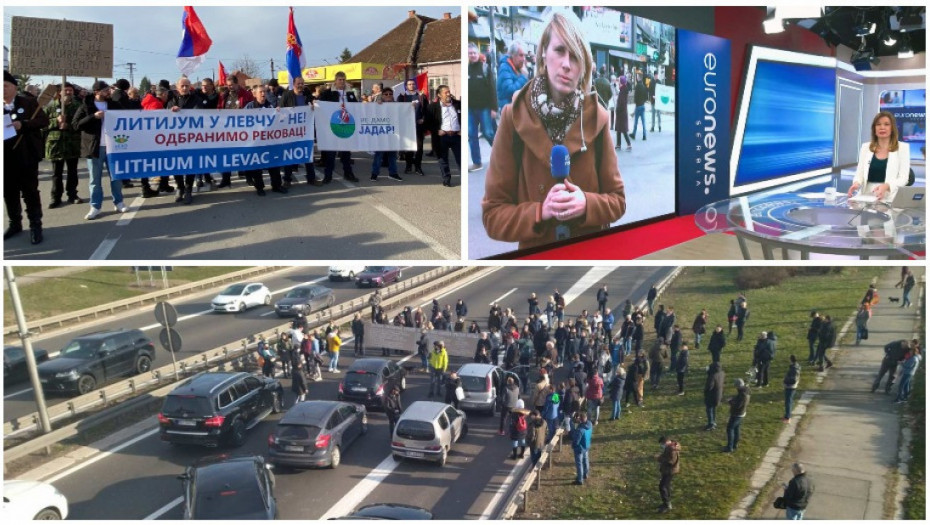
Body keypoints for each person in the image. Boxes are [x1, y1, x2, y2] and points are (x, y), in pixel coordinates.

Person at [481, 12, 626, 250]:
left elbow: (618, 201)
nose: (567, 64)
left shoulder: (597, 119)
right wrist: (540, 212)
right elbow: (493, 215)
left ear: (584, 67)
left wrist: (587, 203)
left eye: (576, 57)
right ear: (544, 54)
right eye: (559, 50)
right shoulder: (513, 117)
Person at [73, 80, 129, 221]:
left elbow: (127, 117)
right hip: (94, 147)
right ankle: (95, 206)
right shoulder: (86, 106)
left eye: (108, 90)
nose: (108, 92)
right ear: (97, 92)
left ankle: (119, 202)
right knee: (95, 179)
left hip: (113, 146)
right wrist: (93, 117)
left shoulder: (114, 105)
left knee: (116, 177)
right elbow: (76, 125)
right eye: (105, 90)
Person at [4, 71, 49, 244]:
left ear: (15, 87)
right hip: (6, 158)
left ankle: (35, 226)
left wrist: (23, 124)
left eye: (6, 86)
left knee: (30, 192)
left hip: (27, 156)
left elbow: (43, 121)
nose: (3, 90)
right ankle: (15, 223)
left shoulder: (28, 102)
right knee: (9, 192)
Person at [847, 111, 911, 203]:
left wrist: (886, 186)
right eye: (878, 124)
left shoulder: (903, 148)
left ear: (892, 128)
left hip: (889, 196)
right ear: (874, 129)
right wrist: (856, 183)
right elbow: (859, 173)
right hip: (866, 196)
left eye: (886, 124)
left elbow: (903, 178)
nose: (882, 127)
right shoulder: (866, 147)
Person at [44, 82, 84, 209]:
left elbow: (81, 124)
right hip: (56, 145)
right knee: (57, 173)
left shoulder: (78, 106)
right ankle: (55, 197)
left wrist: (69, 125)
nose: (68, 92)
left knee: (72, 171)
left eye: (70, 90)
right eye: (65, 90)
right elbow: (42, 124)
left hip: (72, 143)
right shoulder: (50, 106)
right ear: (59, 92)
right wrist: (56, 121)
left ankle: (72, 195)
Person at [317, 71, 359, 184]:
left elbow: (356, 107)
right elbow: (320, 105)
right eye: (340, 79)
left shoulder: (350, 93)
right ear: (335, 81)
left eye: (343, 79)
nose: (342, 82)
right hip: (333, 125)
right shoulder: (328, 93)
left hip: (346, 125)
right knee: (331, 153)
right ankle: (328, 175)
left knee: (346, 153)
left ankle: (348, 173)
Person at [467, 43, 498, 171]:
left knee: (489, 133)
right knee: (471, 135)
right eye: (470, 53)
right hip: (470, 109)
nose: (472, 55)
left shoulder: (485, 68)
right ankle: (477, 162)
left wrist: (494, 108)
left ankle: (502, 156)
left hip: (485, 107)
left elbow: (492, 89)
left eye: (474, 53)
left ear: (478, 54)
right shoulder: (465, 69)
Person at [425, 85, 461, 187]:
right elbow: (428, 122)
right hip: (442, 137)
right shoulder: (432, 107)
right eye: (446, 92)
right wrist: (437, 130)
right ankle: (446, 179)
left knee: (460, 159)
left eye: (449, 92)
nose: (449, 94)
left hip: (456, 136)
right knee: (443, 159)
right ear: (439, 95)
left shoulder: (458, 104)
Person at [497, 40, 529, 112]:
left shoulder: (517, 67)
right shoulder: (505, 67)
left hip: (516, 108)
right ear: (513, 55)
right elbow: (509, 90)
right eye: (521, 55)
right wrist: (523, 77)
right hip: (509, 110)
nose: (523, 59)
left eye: (524, 55)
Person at [724, 378, 750, 453]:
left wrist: (730, 401)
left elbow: (737, 405)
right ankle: (735, 445)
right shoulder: (745, 390)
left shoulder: (743, 394)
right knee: (736, 428)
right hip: (742, 413)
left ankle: (730, 447)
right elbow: (739, 400)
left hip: (737, 414)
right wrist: (733, 398)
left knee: (730, 429)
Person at [656, 435, 681, 513]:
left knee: (662, 487)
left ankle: (667, 504)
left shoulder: (672, 449)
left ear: (666, 442)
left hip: (669, 471)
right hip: (668, 470)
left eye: (662, 444)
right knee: (666, 486)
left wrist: (659, 458)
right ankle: (666, 502)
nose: (662, 446)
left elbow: (670, 462)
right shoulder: (670, 447)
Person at [570, 411, 593, 485]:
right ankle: (585, 474)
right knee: (586, 460)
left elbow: (576, 440)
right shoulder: (589, 424)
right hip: (586, 446)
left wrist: (573, 445)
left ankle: (580, 479)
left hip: (579, 448)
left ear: (580, 420)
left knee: (579, 464)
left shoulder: (580, 430)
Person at [704, 361, 725, 430]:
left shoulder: (712, 376)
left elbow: (709, 387)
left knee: (709, 409)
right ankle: (713, 421)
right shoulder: (722, 373)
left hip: (711, 395)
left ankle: (711, 424)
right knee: (713, 409)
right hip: (718, 394)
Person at [614, 75, 632, 151]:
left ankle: (629, 144)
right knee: (619, 129)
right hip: (621, 113)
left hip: (622, 113)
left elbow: (622, 103)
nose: (618, 83)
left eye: (619, 82)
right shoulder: (623, 90)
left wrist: (617, 109)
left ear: (622, 83)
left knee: (623, 130)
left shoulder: (623, 91)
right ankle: (618, 144)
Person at [783, 355, 801, 422]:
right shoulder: (797, 366)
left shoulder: (794, 369)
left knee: (788, 402)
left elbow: (793, 379)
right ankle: (788, 415)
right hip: (792, 386)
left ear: (791, 360)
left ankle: (787, 417)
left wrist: (785, 381)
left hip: (790, 386)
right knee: (790, 401)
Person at [631, 73, 647, 141]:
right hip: (643, 105)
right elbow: (646, 97)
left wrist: (636, 102)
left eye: (637, 76)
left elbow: (635, 97)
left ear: (639, 78)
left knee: (636, 122)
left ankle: (634, 134)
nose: (636, 78)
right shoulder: (644, 86)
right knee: (643, 122)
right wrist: (643, 101)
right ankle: (644, 135)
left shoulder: (637, 86)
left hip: (638, 106)